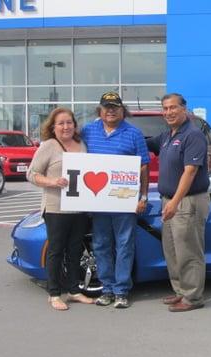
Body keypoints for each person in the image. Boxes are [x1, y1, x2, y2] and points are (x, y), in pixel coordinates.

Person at [81, 92, 149, 309]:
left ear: (122, 110)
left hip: (124, 202)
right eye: (106, 107)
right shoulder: (87, 131)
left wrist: (143, 196)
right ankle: (107, 288)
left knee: (124, 245)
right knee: (101, 245)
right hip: (97, 201)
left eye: (115, 107)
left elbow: (143, 167)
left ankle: (121, 291)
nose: (110, 111)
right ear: (99, 110)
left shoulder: (134, 134)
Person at [147, 93, 210, 312]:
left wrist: (174, 202)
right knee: (172, 251)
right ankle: (181, 291)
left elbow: (190, 172)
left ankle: (193, 298)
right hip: (170, 201)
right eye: (165, 108)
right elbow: (144, 142)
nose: (168, 112)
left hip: (187, 202)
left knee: (189, 252)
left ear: (184, 109)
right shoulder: (166, 135)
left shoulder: (193, 135)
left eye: (173, 107)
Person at [27, 107, 94, 311]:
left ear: (74, 125)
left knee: (75, 250)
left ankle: (74, 290)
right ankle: (54, 293)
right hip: (56, 208)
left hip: (78, 208)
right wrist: (52, 181)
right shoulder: (49, 146)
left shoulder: (81, 144)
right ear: (53, 127)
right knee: (56, 250)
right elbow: (31, 174)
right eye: (61, 123)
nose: (66, 127)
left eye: (69, 122)